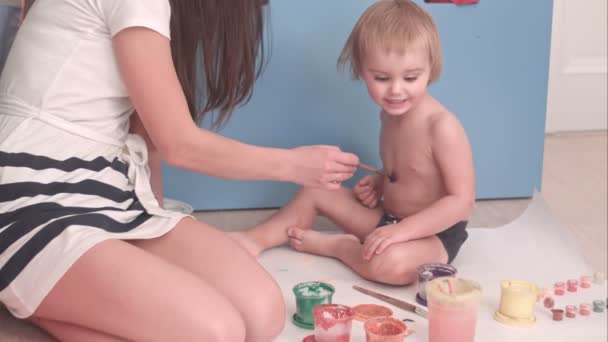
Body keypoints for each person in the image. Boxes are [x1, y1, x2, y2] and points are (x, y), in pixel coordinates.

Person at [0, 0, 360, 341]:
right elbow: (180, 145)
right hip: (30, 195)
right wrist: (296, 165)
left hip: (106, 187)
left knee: (263, 313)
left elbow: (146, 131)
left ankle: (53, 294)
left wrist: (154, 227)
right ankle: (31, 298)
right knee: (216, 332)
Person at [232, 0, 475, 286]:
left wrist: (402, 232)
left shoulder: (442, 127)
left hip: (432, 233)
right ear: (362, 70)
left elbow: (462, 202)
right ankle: (251, 241)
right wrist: (381, 182)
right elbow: (409, 170)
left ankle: (339, 247)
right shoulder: (389, 115)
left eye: (411, 77)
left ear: (430, 68)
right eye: (382, 78)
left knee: (390, 265)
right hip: (389, 220)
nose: (396, 90)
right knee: (315, 191)